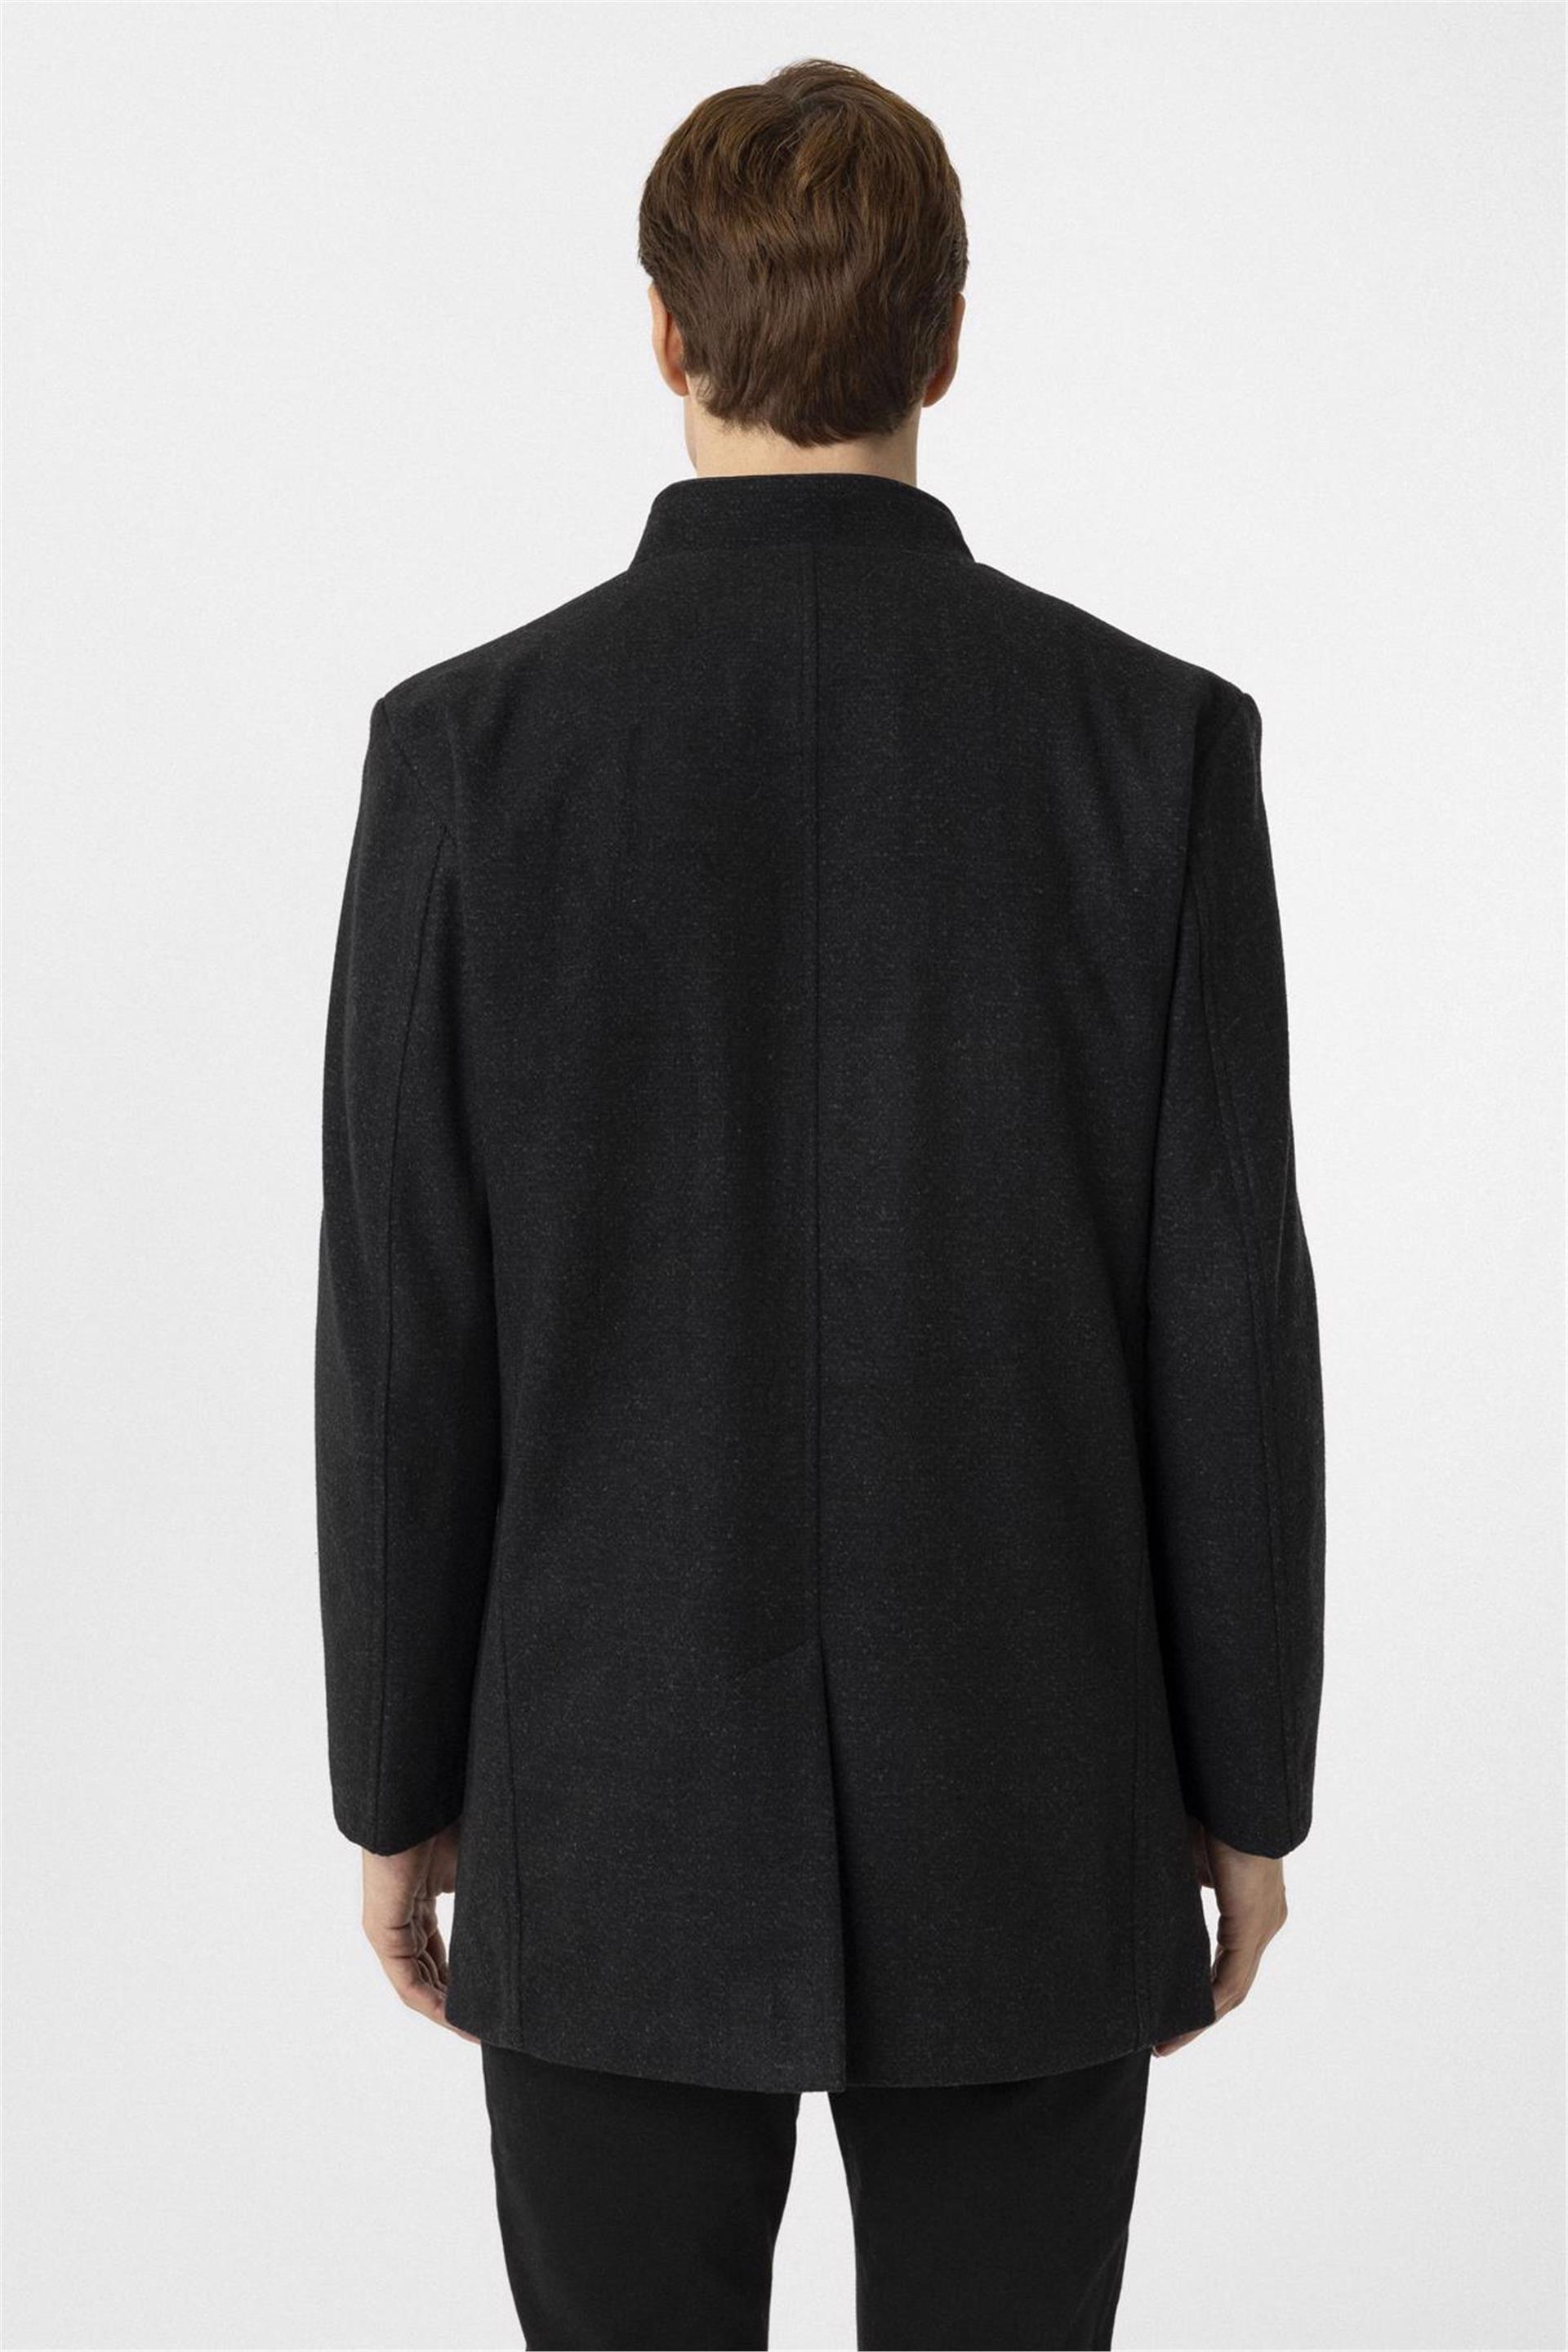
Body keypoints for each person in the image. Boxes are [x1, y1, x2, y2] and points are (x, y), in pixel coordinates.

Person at [314, 56, 1325, 2352]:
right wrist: (1248, 1781)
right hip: (1037, 1784)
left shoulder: (468, 755)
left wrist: (398, 1776)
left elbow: (407, 1322)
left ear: (665, 336)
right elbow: (1226, 1307)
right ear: (949, 342)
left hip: (599, 1790)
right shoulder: (1152, 747)